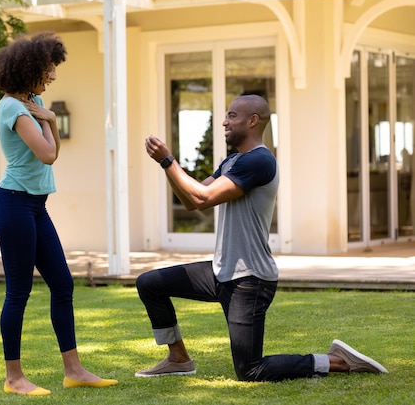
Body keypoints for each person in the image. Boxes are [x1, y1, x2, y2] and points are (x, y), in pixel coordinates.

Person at [135, 94, 388, 381]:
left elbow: (202, 197)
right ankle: (178, 358)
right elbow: (193, 200)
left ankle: (335, 361)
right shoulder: (233, 162)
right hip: (221, 271)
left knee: (250, 370)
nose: (224, 122)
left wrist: (168, 161)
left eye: (231, 116)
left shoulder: (260, 161)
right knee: (150, 284)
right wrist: (167, 165)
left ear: (253, 120)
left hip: (250, 280)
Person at [0, 31, 118, 396]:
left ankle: (74, 370)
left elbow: (53, 150)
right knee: (19, 291)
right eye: (48, 68)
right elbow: (46, 154)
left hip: (34, 205)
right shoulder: (13, 106)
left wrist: (50, 117)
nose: (53, 75)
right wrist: (48, 118)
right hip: (13, 204)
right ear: (28, 67)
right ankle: (14, 378)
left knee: (63, 284)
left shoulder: (35, 102)